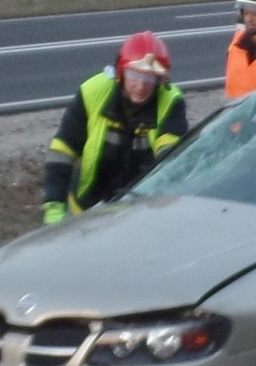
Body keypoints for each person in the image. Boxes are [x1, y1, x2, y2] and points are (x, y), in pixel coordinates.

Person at [42, 30, 189, 224]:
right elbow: (63, 151)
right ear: (120, 72)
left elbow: (172, 160)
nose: (141, 85)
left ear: (160, 81)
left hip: (141, 213)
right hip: (86, 211)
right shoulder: (91, 92)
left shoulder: (171, 103)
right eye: (134, 75)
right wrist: (54, 207)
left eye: (150, 78)